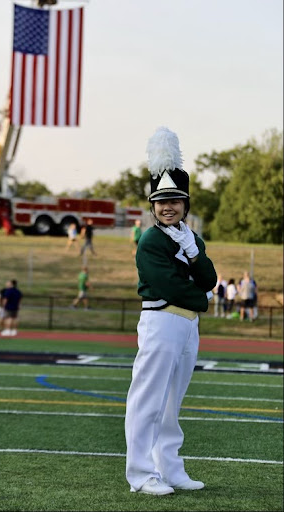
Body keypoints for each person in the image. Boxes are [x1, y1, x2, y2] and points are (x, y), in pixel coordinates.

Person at [125, 127, 217, 496]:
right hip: (162, 319)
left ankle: (170, 467)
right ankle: (141, 473)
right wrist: (202, 298)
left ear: (186, 204)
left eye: (175, 200)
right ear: (152, 205)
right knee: (147, 400)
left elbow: (208, 277)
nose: (168, 206)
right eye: (161, 200)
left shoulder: (191, 237)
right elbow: (171, 286)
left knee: (171, 405)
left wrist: (196, 256)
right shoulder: (150, 240)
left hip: (187, 325)